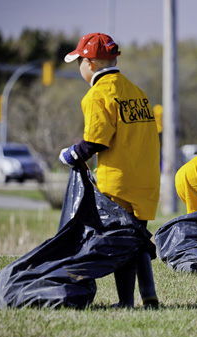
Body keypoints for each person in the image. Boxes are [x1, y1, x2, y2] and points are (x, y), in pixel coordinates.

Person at [59, 32, 160, 307]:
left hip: (118, 181)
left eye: (79, 60)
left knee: (120, 242)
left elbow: (95, 141)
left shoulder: (97, 95)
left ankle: (126, 302)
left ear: (89, 63)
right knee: (136, 236)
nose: (78, 65)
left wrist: (70, 154)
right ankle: (148, 296)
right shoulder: (136, 92)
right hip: (147, 179)